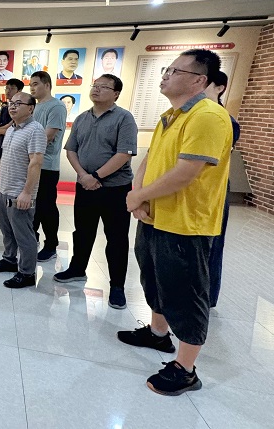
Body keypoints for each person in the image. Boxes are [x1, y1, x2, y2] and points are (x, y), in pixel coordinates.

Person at [118, 49, 232, 396]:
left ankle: (186, 369)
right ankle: (157, 334)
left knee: (186, 294)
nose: (166, 75)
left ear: (199, 80)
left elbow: (186, 173)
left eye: (175, 71)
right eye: (166, 69)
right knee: (154, 280)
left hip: (186, 224)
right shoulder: (171, 116)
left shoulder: (208, 116)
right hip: (155, 217)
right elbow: (150, 160)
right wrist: (138, 195)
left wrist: (138, 197)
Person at [54, 74, 138, 310]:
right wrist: (83, 176)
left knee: (116, 238)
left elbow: (124, 154)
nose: (96, 89)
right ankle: (77, 269)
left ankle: (117, 287)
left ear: (116, 94)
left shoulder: (124, 118)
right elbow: (71, 150)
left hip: (115, 189)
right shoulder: (82, 118)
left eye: (103, 87)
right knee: (82, 231)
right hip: (85, 186)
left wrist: (96, 176)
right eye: (95, 85)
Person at [0, 91, 46, 288]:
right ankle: (9, 260)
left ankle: (27, 273)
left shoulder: (35, 130)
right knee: (7, 231)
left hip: (20, 193)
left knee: (24, 235)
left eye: (18, 103)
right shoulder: (11, 129)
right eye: (11, 103)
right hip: (4, 189)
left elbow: (36, 163)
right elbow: (4, 158)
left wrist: (27, 192)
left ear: (30, 108)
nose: (12, 106)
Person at [203, 70, 241, 308]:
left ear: (219, 88)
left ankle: (206, 296)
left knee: (211, 244)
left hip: (211, 189)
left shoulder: (224, 120)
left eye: (205, 83)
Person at [29, 71, 67, 261]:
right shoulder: (34, 107)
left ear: (47, 85)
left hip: (47, 165)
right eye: (30, 85)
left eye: (35, 84)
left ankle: (51, 245)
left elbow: (49, 135)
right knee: (33, 205)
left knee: (46, 206)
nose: (32, 88)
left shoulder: (56, 106)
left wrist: (24, 144)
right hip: (31, 163)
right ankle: (31, 238)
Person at [0, 78, 25, 223]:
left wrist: (0, 129)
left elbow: (8, 129)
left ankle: (10, 214)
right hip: (1, 148)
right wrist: (0, 129)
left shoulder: (22, 110)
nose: (8, 91)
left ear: (19, 91)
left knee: (11, 184)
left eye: (12, 88)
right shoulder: (4, 108)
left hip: (14, 152)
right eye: (6, 88)